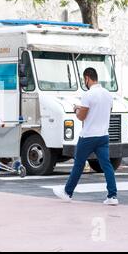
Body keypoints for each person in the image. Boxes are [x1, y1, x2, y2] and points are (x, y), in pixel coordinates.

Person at [53, 67, 119, 205]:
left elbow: (82, 117)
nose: (85, 82)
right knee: (106, 165)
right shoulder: (108, 94)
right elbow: (107, 111)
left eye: (85, 79)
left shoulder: (88, 95)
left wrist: (77, 109)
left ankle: (67, 192)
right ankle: (112, 196)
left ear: (87, 78)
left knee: (78, 164)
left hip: (88, 136)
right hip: (103, 136)